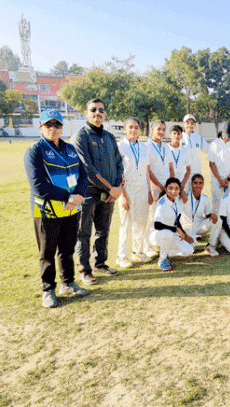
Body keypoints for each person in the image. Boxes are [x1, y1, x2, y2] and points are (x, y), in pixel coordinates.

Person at [24, 110, 89, 308]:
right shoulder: (35, 150)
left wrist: (77, 195)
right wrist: (68, 196)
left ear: (62, 127)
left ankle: (68, 283)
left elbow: (83, 175)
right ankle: (48, 289)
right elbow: (38, 185)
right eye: (48, 125)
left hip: (71, 209)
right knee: (47, 251)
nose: (53, 128)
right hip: (47, 211)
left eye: (57, 125)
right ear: (41, 127)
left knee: (67, 249)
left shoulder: (70, 149)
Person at [71, 98, 123, 285]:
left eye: (101, 110)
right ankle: (84, 270)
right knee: (83, 233)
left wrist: (116, 187)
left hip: (109, 195)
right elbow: (87, 168)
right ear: (86, 112)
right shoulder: (81, 136)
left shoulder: (109, 137)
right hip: (87, 193)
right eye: (93, 109)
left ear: (105, 114)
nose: (97, 113)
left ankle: (100, 264)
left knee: (103, 230)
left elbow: (119, 162)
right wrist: (111, 188)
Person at [115, 117, 155, 268]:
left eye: (136, 127)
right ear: (125, 129)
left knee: (141, 222)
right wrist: (123, 194)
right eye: (130, 127)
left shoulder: (144, 147)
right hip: (128, 187)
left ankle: (137, 252)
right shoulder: (120, 146)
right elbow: (118, 172)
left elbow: (146, 170)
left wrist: (150, 191)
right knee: (126, 223)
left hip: (143, 187)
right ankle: (121, 256)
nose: (133, 130)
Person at [149, 177, 195, 271]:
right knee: (167, 233)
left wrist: (184, 235)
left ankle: (165, 252)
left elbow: (177, 221)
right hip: (156, 235)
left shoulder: (177, 202)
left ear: (180, 190)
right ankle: (162, 260)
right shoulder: (161, 203)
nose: (173, 191)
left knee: (189, 250)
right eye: (170, 188)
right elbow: (157, 225)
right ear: (165, 189)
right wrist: (176, 230)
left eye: (176, 188)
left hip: (170, 235)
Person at [145, 119, 173, 251]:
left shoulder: (166, 146)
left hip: (167, 189)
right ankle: (147, 247)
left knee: (164, 217)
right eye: (158, 129)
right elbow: (147, 170)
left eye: (163, 129)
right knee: (151, 218)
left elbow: (171, 167)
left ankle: (163, 244)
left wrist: (171, 186)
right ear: (152, 130)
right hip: (154, 188)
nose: (161, 132)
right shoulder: (146, 146)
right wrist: (160, 186)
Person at [180, 174, 219, 254]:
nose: (198, 185)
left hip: (200, 225)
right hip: (187, 227)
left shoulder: (205, 198)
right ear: (191, 184)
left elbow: (208, 215)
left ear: (203, 184)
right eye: (195, 183)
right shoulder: (185, 197)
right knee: (189, 250)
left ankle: (210, 246)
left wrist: (213, 215)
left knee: (218, 220)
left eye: (200, 183)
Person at [207, 122, 230, 214]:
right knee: (216, 204)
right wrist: (220, 180)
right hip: (216, 180)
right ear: (221, 132)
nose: (227, 138)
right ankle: (216, 226)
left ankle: (227, 226)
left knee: (229, 204)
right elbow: (211, 163)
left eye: (229, 135)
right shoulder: (214, 144)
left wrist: (228, 178)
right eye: (225, 135)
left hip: (229, 181)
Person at [181, 114, 209, 181]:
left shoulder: (199, 138)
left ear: (195, 125)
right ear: (183, 124)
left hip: (196, 171)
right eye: (187, 123)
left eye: (192, 123)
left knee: (195, 191)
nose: (189, 125)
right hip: (182, 172)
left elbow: (209, 150)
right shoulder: (179, 137)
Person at [168, 125, 191, 197]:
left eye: (178, 133)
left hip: (181, 184)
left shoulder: (185, 150)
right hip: (168, 183)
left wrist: (183, 184)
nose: (176, 136)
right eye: (174, 133)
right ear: (170, 135)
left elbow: (188, 170)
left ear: (181, 136)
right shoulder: (165, 149)